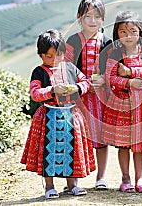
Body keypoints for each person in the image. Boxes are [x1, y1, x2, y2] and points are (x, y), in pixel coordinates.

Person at [21, 29, 96, 199]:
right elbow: (35, 93)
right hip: (48, 116)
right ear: (40, 55)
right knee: (48, 150)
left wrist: (77, 88)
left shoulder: (70, 68)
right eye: (49, 56)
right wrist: (52, 90)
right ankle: (49, 186)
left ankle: (72, 185)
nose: (54, 60)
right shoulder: (39, 72)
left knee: (72, 149)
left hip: (70, 115)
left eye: (59, 55)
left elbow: (86, 82)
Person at [102, 11, 142, 193]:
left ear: (140, 32)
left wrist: (130, 72)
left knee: (139, 144)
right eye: (123, 32)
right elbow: (110, 78)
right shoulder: (114, 53)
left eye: (132, 31)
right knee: (123, 144)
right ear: (117, 33)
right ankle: (125, 179)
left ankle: (139, 180)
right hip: (122, 104)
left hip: (141, 104)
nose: (128, 36)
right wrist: (129, 82)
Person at [64, 0, 112, 190]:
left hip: (101, 98)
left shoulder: (107, 42)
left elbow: (113, 68)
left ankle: (101, 177)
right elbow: (66, 68)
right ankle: (73, 180)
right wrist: (81, 84)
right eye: (87, 16)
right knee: (75, 136)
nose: (93, 21)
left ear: (103, 18)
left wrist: (104, 80)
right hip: (78, 98)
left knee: (101, 138)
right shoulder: (73, 41)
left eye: (97, 16)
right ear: (79, 17)